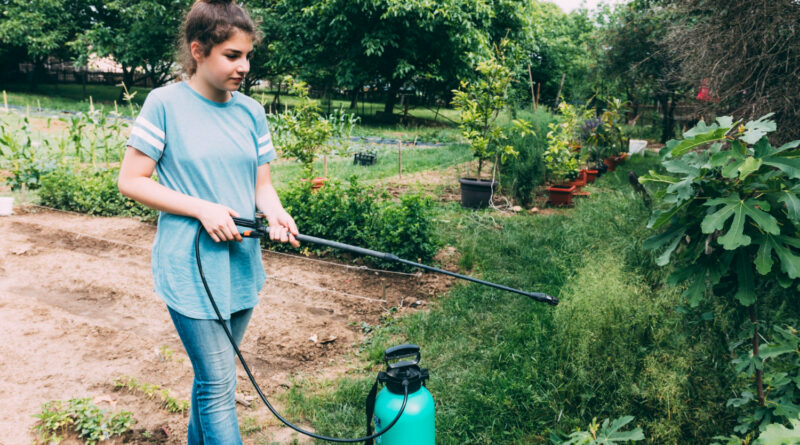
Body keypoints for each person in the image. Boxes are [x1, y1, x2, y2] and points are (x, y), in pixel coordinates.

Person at [117, 0, 299, 442]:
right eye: (232, 56)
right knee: (219, 383)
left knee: (211, 378)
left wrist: (275, 211)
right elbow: (131, 181)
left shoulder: (251, 112)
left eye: (247, 55)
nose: (244, 66)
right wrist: (202, 207)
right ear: (198, 51)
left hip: (240, 263)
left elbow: (261, 186)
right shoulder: (165, 104)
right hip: (190, 266)